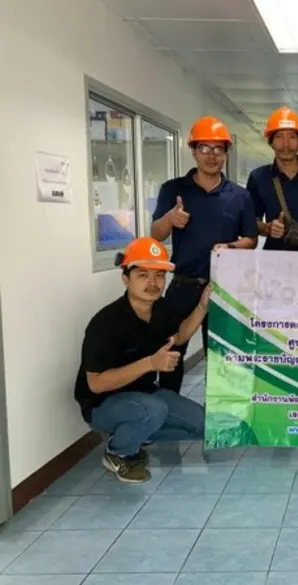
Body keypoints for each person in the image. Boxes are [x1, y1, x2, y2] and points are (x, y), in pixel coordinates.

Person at [74, 237, 208, 484]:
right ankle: (118, 452)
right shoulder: (105, 323)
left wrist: (201, 307)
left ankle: (137, 432)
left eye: (159, 276)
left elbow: (179, 336)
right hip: (103, 403)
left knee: (204, 425)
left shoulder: (160, 309)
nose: (153, 283)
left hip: (145, 393)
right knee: (153, 410)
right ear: (126, 279)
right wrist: (151, 363)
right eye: (143, 275)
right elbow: (96, 384)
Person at [150, 116, 257, 393]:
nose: (212, 155)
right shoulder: (174, 189)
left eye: (218, 149)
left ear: (226, 153)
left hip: (224, 289)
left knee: (221, 356)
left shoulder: (240, 196)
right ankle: (170, 405)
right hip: (183, 285)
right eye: (205, 148)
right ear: (194, 151)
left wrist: (231, 247)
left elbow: (251, 240)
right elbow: (156, 234)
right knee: (172, 348)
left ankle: (219, 413)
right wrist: (170, 218)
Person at [246, 106, 298, 250]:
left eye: (292, 137)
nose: (286, 145)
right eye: (279, 137)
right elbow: (250, 221)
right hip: (274, 256)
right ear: (271, 142)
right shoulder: (258, 178)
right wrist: (267, 228)